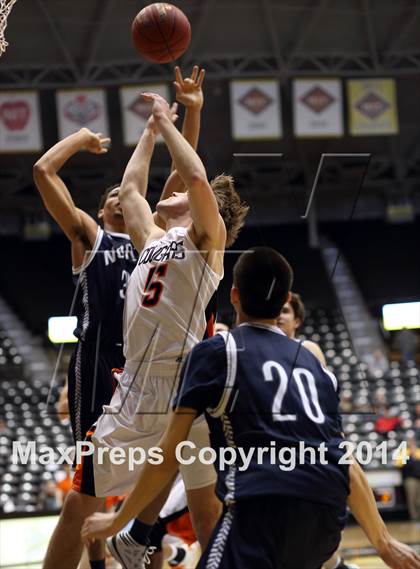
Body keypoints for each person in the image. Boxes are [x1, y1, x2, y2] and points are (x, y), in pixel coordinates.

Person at [82, 247, 420, 569]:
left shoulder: (217, 352)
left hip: (262, 507)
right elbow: (345, 460)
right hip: (325, 519)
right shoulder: (317, 368)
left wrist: (119, 520)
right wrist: (383, 542)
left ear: (233, 295)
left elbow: (168, 454)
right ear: (285, 300)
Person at [44, 84, 248, 569]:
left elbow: (194, 176)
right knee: (82, 504)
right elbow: (132, 189)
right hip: (147, 385)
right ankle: (136, 539)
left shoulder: (205, 239)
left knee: (205, 509)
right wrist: (152, 131)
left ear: (202, 211)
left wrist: (171, 120)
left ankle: (141, 539)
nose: (170, 192)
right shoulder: (152, 238)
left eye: (180, 195)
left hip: (181, 387)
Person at [277, 292, 359, 569]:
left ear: (297, 320)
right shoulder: (249, 351)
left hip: (309, 447)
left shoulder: (307, 349)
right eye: (275, 309)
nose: (279, 315)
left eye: (286, 311)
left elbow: (323, 404)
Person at [396, 435, 420, 523]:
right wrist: (410, 456)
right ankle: (414, 517)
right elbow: (398, 465)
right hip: (410, 479)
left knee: (419, 499)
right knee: (412, 499)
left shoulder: (418, 452)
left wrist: (415, 455)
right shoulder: (403, 453)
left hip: (419, 479)